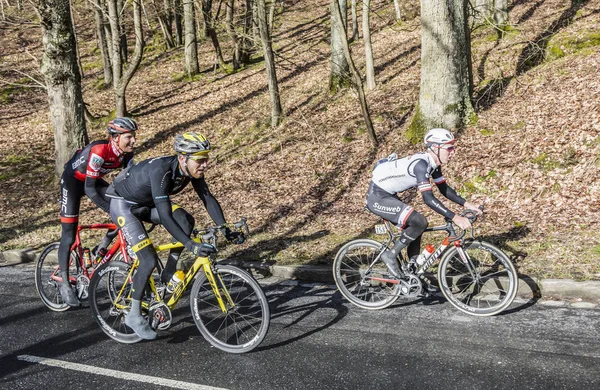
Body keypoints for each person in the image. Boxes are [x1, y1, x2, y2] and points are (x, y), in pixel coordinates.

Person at [106, 131, 244, 340]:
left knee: (186, 220)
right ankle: (133, 315)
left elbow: (207, 198)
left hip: (146, 202)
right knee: (148, 259)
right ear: (183, 158)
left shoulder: (191, 170)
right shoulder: (161, 172)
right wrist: (190, 245)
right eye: (200, 160)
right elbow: (165, 216)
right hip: (123, 204)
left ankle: (168, 273)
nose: (205, 164)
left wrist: (225, 229)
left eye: (206, 158)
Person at [366, 128, 482, 279]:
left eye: (453, 147)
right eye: (449, 148)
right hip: (377, 197)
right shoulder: (421, 165)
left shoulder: (433, 164)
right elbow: (428, 198)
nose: (453, 152)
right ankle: (390, 255)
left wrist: (468, 205)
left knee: (416, 225)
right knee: (419, 221)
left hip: (389, 194)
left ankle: (411, 270)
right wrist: (455, 217)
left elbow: (444, 189)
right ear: (435, 148)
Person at [58, 117, 137, 307]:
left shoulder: (127, 154)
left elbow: (129, 185)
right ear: (115, 137)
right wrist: (113, 212)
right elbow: (90, 190)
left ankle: (101, 248)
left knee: (123, 211)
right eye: (129, 137)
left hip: (92, 180)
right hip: (73, 183)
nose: (133, 141)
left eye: (134, 136)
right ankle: (66, 283)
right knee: (69, 235)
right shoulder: (99, 150)